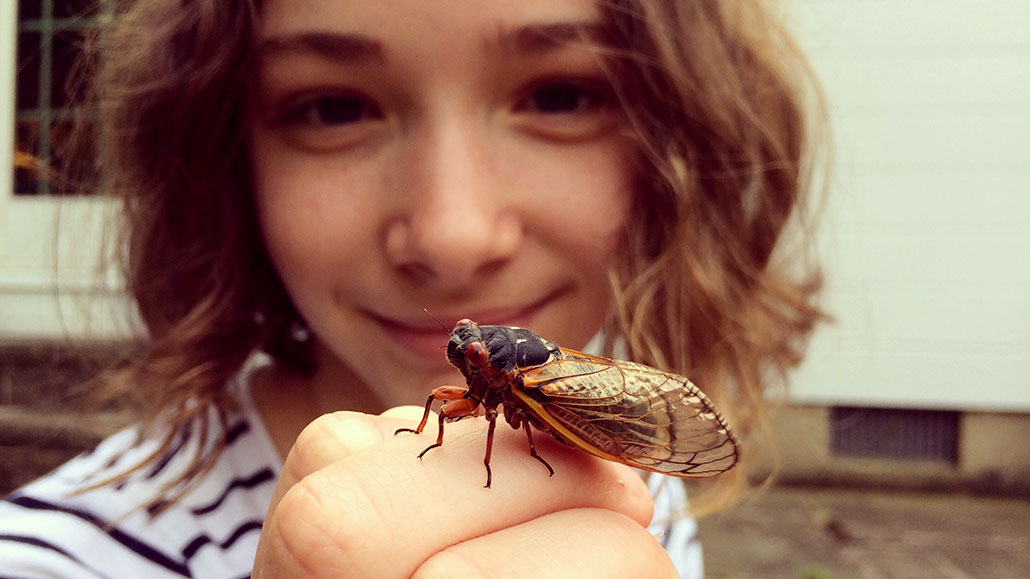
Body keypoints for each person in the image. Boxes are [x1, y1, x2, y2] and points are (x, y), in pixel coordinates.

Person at [0, 0, 826, 576]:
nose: (451, 236)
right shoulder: (54, 556)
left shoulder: (637, 488)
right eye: (332, 108)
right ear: (221, 161)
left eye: (561, 95)